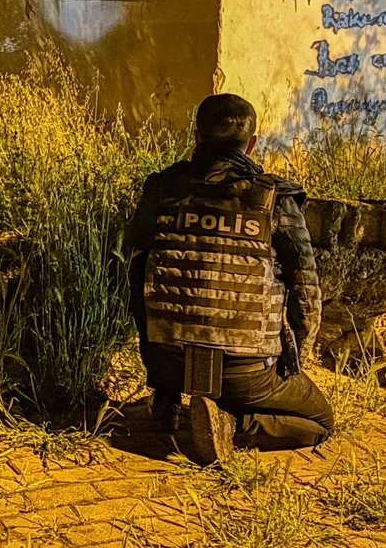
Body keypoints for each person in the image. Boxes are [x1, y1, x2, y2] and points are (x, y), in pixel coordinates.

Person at [124, 93, 332, 466]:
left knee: (141, 265)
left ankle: (167, 397)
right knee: (319, 420)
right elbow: (306, 291)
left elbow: (127, 260)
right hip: (245, 372)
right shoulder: (273, 199)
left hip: (167, 360)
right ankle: (233, 423)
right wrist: (293, 362)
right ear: (251, 144)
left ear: (197, 135)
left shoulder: (162, 189)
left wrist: (155, 351)